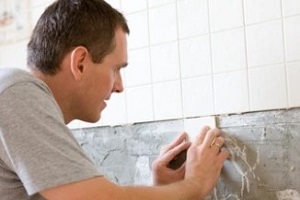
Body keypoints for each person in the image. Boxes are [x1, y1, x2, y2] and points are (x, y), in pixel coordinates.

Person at [0, 0, 229, 199]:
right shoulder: (16, 91)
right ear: (80, 63)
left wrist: (162, 191)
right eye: (116, 69)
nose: (119, 87)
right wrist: (194, 186)